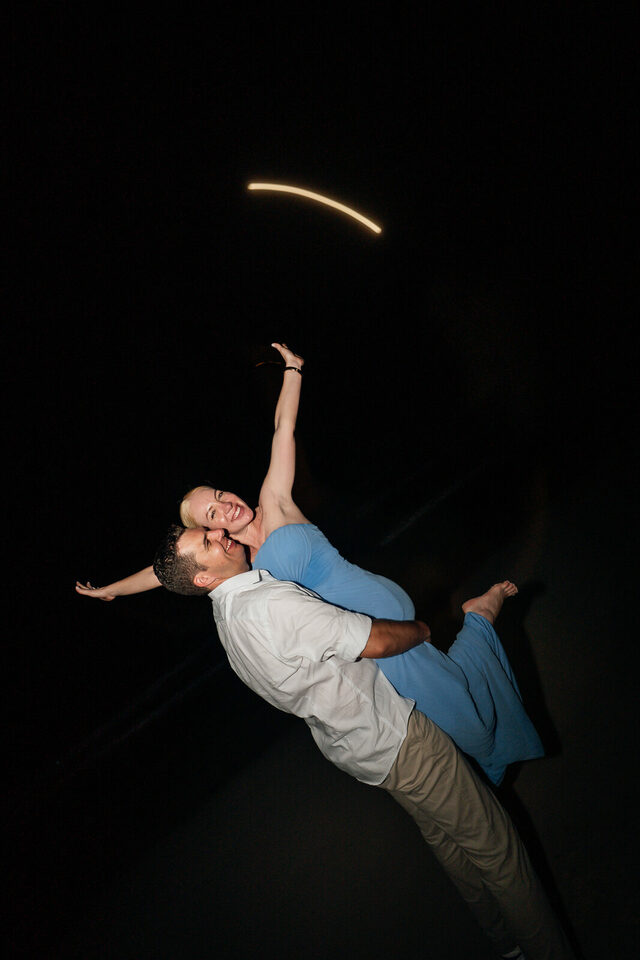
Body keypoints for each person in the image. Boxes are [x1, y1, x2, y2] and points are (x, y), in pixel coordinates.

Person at [76, 343, 543, 784]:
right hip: (365, 647)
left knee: (462, 718)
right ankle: (480, 621)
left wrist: (293, 370)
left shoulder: (274, 502)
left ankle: (479, 623)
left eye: (219, 495)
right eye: (212, 514)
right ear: (209, 533)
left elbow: (284, 428)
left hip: (381, 626)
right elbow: (167, 573)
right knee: (453, 706)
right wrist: (114, 589)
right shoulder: (244, 569)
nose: (226, 506)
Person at [151, 521, 573, 960]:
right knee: (498, 850)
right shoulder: (268, 604)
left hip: (362, 753)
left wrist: (116, 588)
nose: (219, 532)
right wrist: (421, 630)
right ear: (203, 578)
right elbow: (373, 640)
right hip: (401, 740)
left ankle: (506, 942)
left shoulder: (227, 620)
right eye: (207, 541)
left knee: (448, 841)